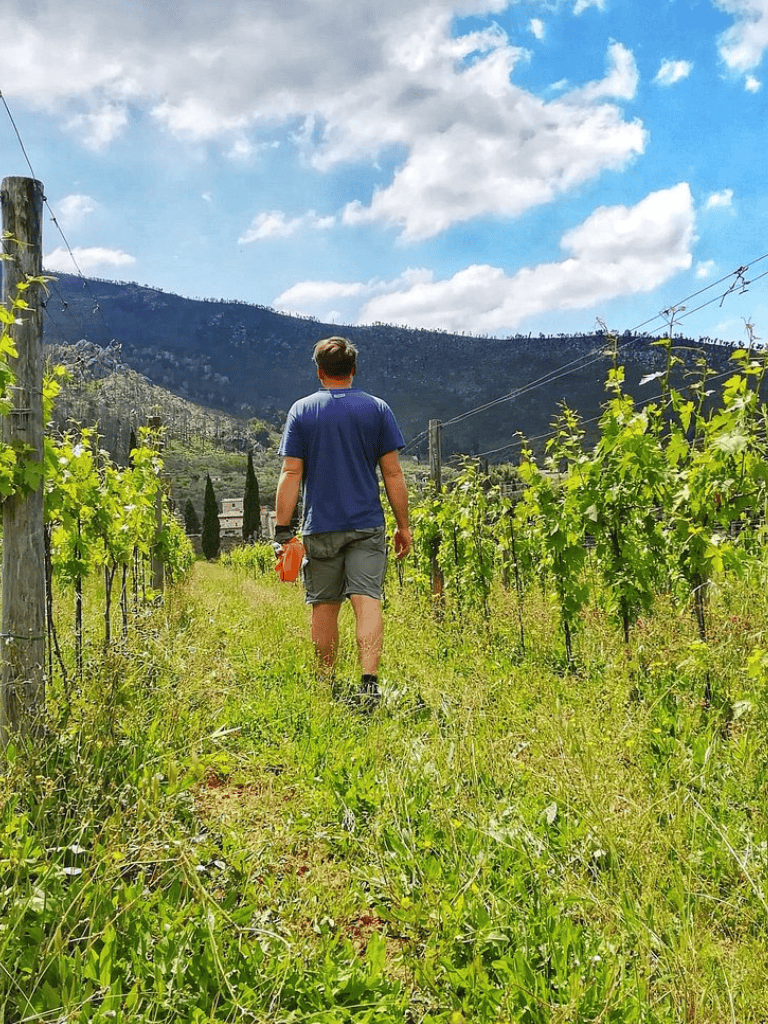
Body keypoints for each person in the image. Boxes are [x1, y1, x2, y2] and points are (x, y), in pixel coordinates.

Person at [274, 336, 412, 707]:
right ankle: (369, 685)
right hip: (367, 524)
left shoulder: (301, 412)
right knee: (367, 600)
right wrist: (404, 526)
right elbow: (393, 474)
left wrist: (282, 531)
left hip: (320, 526)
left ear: (319, 371)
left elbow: (290, 472)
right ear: (353, 370)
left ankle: (325, 685)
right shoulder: (377, 409)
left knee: (324, 606)